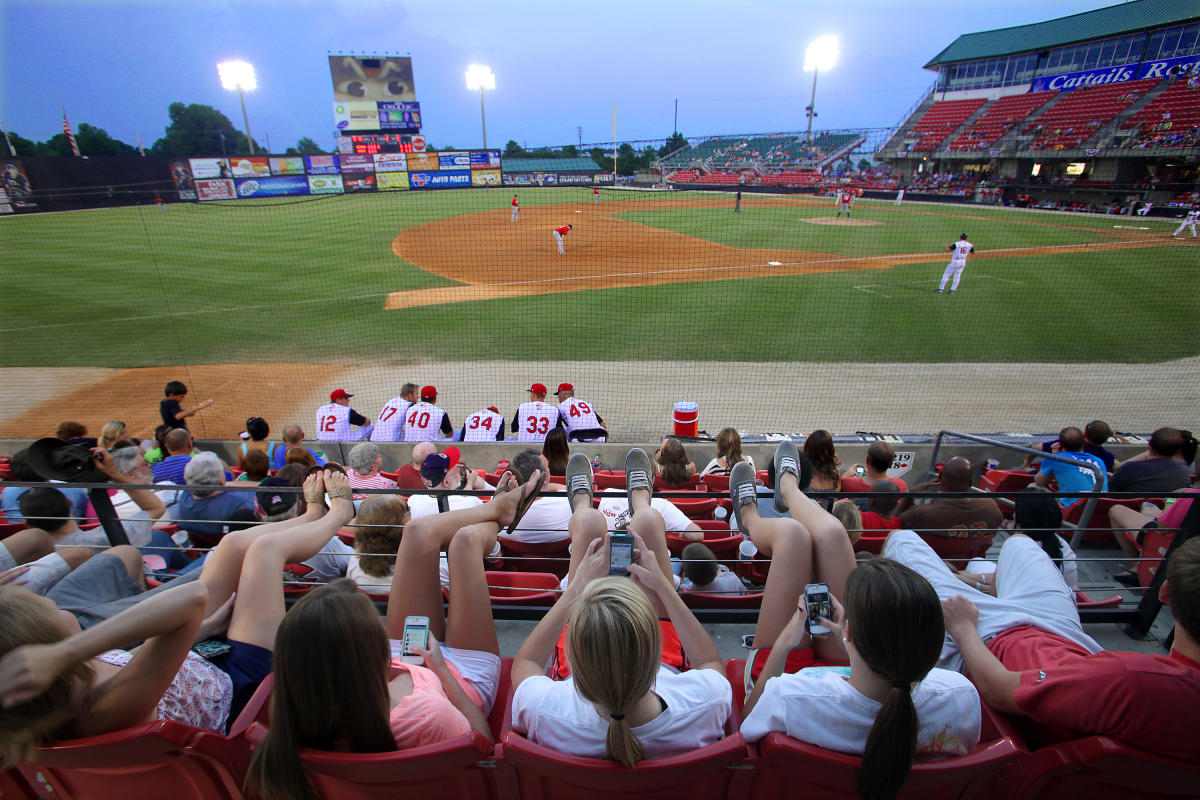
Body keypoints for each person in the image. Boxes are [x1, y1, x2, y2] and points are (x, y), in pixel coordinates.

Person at [0, 468, 356, 765]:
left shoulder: (71, 683)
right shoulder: (101, 706)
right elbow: (191, 596)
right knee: (266, 550)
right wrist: (67, 652)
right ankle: (340, 514)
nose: (58, 605)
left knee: (230, 546)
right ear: (44, 647)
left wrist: (203, 631)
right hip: (239, 683)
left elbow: (137, 658)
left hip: (200, 659)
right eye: (50, 609)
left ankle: (309, 517)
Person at [245, 470, 546, 800]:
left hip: (405, 661)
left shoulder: (295, 715)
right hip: (457, 679)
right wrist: (441, 670)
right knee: (464, 543)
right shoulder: (426, 716)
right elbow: (481, 743)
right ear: (367, 652)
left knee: (416, 531)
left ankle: (498, 511)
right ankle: (500, 516)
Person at [895, 531, 1200, 762]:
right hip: (1063, 640)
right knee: (1019, 544)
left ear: (1165, 592)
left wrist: (962, 628)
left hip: (989, 644)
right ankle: (979, 585)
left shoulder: (1135, 682)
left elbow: (999, 691)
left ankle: (975, 585)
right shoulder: (1141, 679)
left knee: (902, 541)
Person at [511, 451, 731, 764]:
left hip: (599, 667)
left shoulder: (547, 712)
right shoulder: (702, 706)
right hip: (658, 664)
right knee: (648, 522)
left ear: (578, 654)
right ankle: (641, 501)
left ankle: (584, 507)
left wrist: (577, 586)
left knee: (588, 524)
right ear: (649, 653)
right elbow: (709, 660)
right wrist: (664, 587)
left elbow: (526, 664)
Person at [740, 559, 980, 798]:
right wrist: (851, 636)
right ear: (935, 644)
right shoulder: (961, 695)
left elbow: (747, 723)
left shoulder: (789, 698)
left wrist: (783, 644)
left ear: (850, 632)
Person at [955, 486, 1079, 594]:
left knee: (974, 564)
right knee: (976, 563)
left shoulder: (1018, 548)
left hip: (1023, 607)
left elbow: (996, 593)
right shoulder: (1061, 544)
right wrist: (964, 576)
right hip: (1058, 604)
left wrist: (962, 580)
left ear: (1018, 516)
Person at [896, 457, 1003, 533]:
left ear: (940, 480)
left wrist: (909, 496)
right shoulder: (991, 507)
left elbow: (893, 526)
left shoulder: (921, 513)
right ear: (971, 482)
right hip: (969, 562)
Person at [345, 495, 411, 595]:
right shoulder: (432, 565)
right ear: (398, 529)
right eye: (407, 509)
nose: (411, 512)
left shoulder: (355, 560)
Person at [1108, 427, 1194, 494]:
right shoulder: (1184, 469)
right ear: (1177, 450)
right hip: (1167, 512)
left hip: (1129, 510)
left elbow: (1109, 489)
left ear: (1149, 443)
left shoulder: (1132, 468)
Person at [1034, 426, 1108, 503]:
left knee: (1033, 487)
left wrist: (1054, 457)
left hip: (1074, 509)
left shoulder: (1055, 459)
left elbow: (1039, 482)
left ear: (1060, 444)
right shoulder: (1099, 461)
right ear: (1084, 442)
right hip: (1101, 506)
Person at [841, 441, 908, 501]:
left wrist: (845, 475)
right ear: (890, 464)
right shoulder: (901, 485)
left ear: (867, 460)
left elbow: (836, 490)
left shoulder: (847, 482)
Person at [680, 542, 746, 595]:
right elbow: (744, 594)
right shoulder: (733, 580)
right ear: (715, 567)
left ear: (687, 575)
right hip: (731, 609)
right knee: (724, 568)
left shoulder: (685, 591)